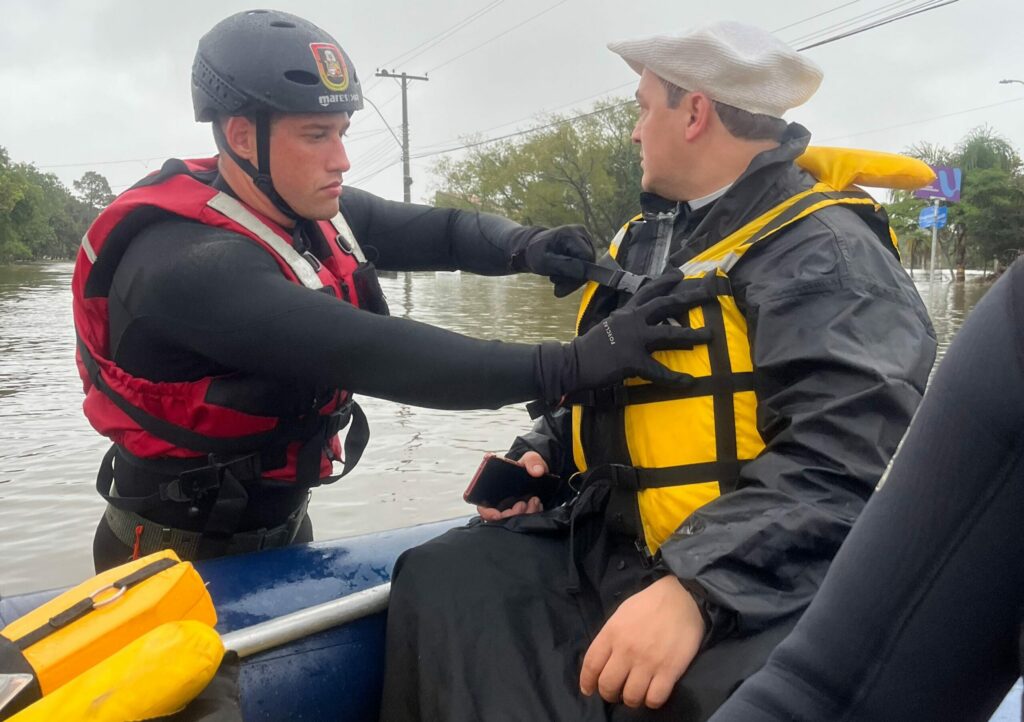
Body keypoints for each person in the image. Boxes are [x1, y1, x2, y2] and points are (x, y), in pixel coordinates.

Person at [380, 20, 937, 722]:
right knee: (445, 578)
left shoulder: (824, 249)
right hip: (613, 548)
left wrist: (696, 589)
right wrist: (545, 452)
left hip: (763, 574)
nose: (637, 132)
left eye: (646, 108)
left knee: (718, 698)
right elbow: (630, 390)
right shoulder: (649, 241)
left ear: (695, 112)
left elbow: (845, 453)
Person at [73, 9, 712, 572]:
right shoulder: (188, 266)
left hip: (280, 524)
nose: (342, 159)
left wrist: (530, 245)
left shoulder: (303, 207)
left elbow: (447, 231)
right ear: (243, 137)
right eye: (316, 136)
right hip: (168, 548)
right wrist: (579, 361)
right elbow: (388, 356)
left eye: (343, 132)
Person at [704, 258, 1024, 721]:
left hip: (733, 581)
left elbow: (837, 458)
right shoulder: (1015, 328)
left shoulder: (833, 255)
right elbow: (819, 692)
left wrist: (700, 586)